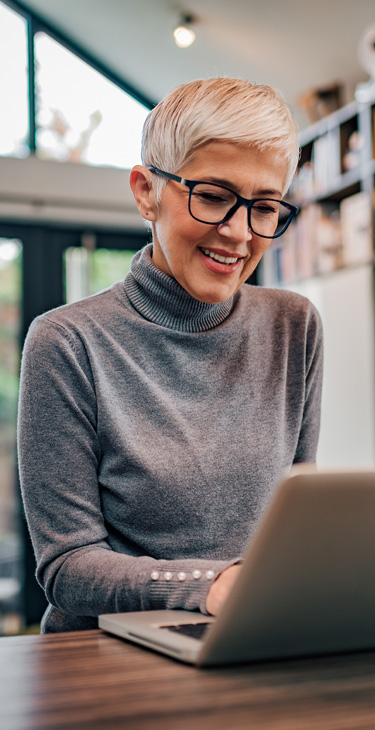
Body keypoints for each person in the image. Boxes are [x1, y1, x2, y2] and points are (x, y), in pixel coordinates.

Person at [17, 77, 323, 633]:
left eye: (265, 207)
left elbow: (296, 525)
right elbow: (67, 568)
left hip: (247, 639)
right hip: (106, 660)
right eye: (212, 197)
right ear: (145, 191)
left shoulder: (292, 325)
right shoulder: (67, 343)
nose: (238, 233)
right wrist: (210, 586)